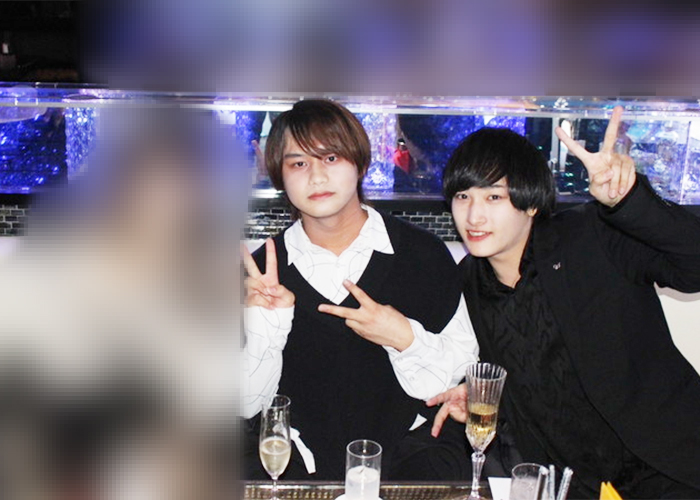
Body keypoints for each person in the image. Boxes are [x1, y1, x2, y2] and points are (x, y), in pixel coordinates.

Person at [429, 106, 700, 499]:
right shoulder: (468, 281)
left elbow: (693, 266)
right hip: (573, 484)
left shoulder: (590, 235)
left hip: (668, 467)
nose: (474, 215)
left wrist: (629, 201)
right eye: (462, 196)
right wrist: (475, 394)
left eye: (494, 196)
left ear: (531, 202)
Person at [242, 99, 479, 480]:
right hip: (295, 464)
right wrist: (265, 326)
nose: (317, 177)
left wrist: (403, 337)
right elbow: (246, 404)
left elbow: (457, 377)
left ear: (361, 163)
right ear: (279, 177)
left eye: (331, 158)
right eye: (298, 164)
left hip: (409, 461)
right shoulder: (262, 274)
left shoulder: (423, 254)